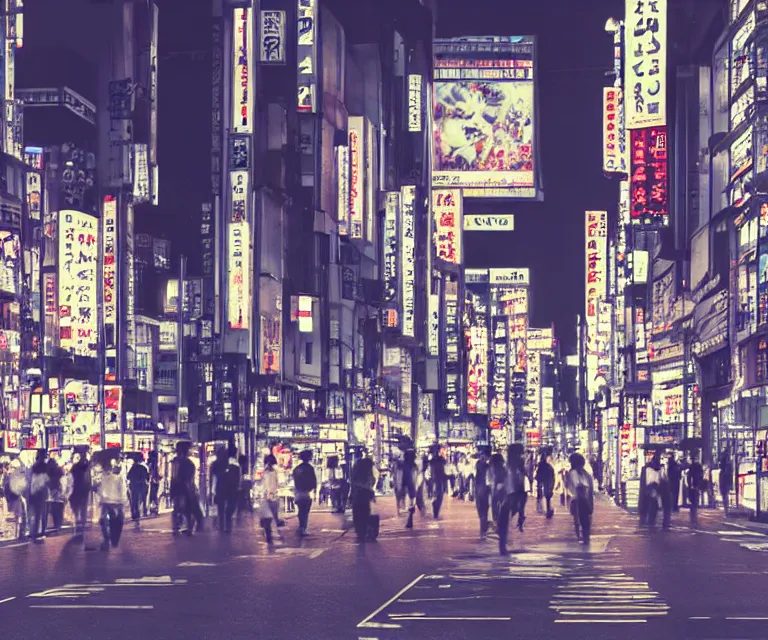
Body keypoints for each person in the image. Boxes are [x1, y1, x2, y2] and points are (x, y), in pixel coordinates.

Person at [170, 442, 201, 535]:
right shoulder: (188, 463)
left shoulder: (176, 461)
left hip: (179, 488)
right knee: (186, 509)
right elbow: (188, 478)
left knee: (180, 508)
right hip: (184, 488)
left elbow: (174, 477)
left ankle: (178, 527)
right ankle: (187, 528)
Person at [97, 456, 126, 550]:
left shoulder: (105, 478)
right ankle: (113, 540)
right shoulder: (117, 478)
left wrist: (101, 500)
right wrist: (122, 501)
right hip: (115, 503)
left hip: (108, 503)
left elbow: (101, 491)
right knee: (115, 521)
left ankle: (107, 539)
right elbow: (122, 491)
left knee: (104, 521)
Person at [211, 445, 240, 534]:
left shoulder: (217, 464)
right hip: (228, 490)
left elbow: (213, 478)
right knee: (226, 510)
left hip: (221, 489)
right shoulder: (233, 465)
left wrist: (212, 491)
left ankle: (223, 527)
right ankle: (226, 527)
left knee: (222, 510)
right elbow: (237, 479)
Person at [567, 453, 594, 544]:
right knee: (585, 520)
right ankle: (585, 537)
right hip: (585, 499)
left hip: (579, 499)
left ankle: (582, 537)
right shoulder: (586, 473)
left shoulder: (573, 473)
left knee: (579, 519)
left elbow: (577, 486)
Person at [350, 455, 376, 543]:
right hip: (363, 497)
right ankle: (363, 533)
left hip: (358, 497)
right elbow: (371, 483)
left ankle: (360, 533)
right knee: (364, 514)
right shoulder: (366, 474)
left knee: (358, 515)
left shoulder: (356, 474)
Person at [292, 450, 317, 536]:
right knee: (305, 511)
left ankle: (301, 527)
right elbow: (313, 481)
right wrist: (314, 491)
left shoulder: (297, 469)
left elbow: (295, 479)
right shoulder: (310, 468)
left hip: (298, 492)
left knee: (301, 510)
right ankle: (303, 527)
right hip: (307, 492)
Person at [28, 450, 49, 543]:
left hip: (36, 493)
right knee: (40, 514)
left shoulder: (34, 466)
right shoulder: (42, 467)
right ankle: (38, 533)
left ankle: (36, 533)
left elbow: (30, 480)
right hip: (40, 493)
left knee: (37, 514)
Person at [69, 452, 91, 538]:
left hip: (75, 491)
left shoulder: (74, 468)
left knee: (76, 511)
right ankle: (81, 527)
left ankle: (77, 527)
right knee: (83, 510)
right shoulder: (85, 467)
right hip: (83, 491)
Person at [260, 454, 281, 544]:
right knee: (269, 518)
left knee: (268, 518)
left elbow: (270, 485)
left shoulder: (269, 472)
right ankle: (269, 535)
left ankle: (269, 535)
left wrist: (270, 493)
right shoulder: (270, 471)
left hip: (269, 496)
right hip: (270, 497)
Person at [127, 455, 150, 524]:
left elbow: (128, 476)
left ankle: (136, 513)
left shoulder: (133, 468)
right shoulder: (143, 468)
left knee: (135, 500)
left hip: (134, 485)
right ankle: (144, 511)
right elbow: (147, 477)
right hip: (142, 485)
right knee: (143, 499)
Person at [46, 458, 66, 533]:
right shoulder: (59, 472)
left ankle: (55, 527)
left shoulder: (47, 473)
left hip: (51, 496)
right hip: (59, 496)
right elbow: (63, 483)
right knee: (59, 513)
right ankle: (58, 527)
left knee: (54, 513)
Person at [474, 450, 490, 536]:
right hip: (483, 489)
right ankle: (483, 528)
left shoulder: (478, 464)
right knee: (484, 510)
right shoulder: (487, 466)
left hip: (479, 489)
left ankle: (483, 527)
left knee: (481, 510)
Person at [536, 453, 556, 518]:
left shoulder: (542, 466)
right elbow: (552, 476)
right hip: (547, 482)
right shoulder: (548, 467)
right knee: (547, 497)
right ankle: (548, 510)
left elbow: (538, 475)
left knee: (546, 497)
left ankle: (547, 510)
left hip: (544, 483)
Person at [430, 449, 447, 519]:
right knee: (439, 497)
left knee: (437, 496)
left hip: (435, 480)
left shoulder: (432, 461)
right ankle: (435, 513)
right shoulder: (441, 460)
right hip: (439, 480)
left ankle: (435, 513)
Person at [688, 454, 704, 526]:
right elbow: (700, 476)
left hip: (693, 487)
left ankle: (693, 519)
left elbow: (690, 477)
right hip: (695, 486)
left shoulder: (692, 467)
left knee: (693, 503)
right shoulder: (697, 467)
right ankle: (694, 519)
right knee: (694, 503)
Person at [718, 449, 733, 516]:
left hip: (724, 480)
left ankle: (726, 511)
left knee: (725, 496)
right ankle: (726, 511)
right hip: (725, 480)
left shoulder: (724, 465)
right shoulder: (728, 464)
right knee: (725, 495)